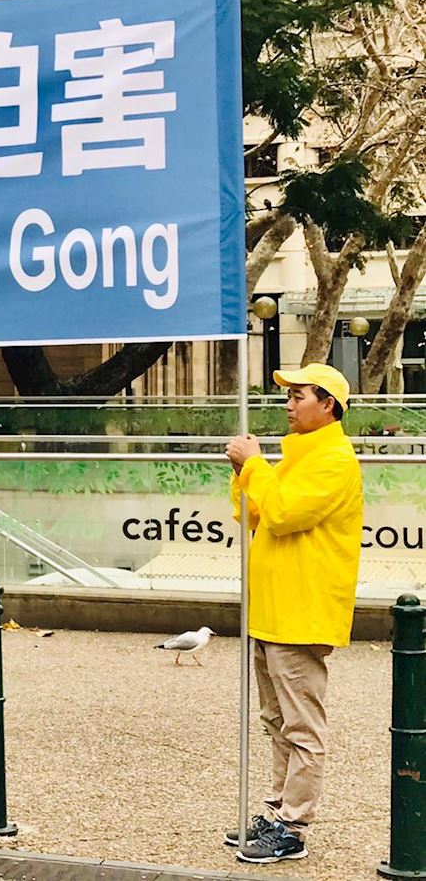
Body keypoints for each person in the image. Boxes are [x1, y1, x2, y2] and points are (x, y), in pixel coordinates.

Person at [224, 363, 362, 864]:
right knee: (276, 719)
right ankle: (278, 811)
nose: (288, 404)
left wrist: (255, 466)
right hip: (274, 611)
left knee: (301, 725)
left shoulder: (333, 461)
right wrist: (244, 472)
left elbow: (283, 514)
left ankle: (294, 826)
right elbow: (252, 513)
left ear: (328, 404)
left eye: (298, 395)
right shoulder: (296, 457)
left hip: (301, 612)